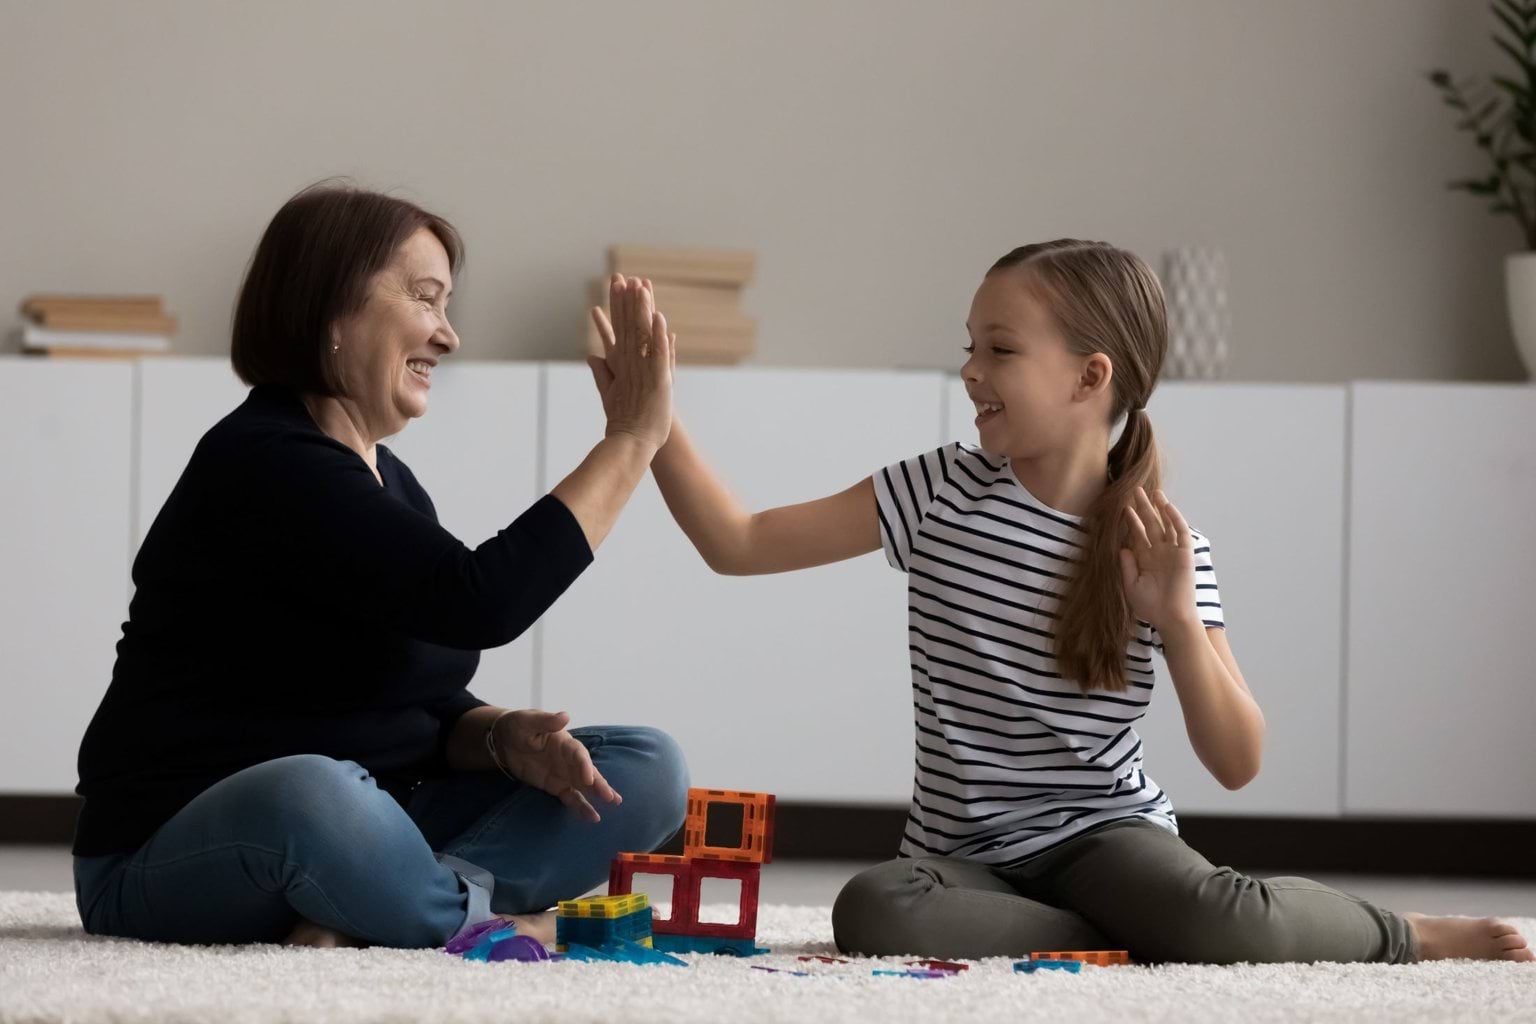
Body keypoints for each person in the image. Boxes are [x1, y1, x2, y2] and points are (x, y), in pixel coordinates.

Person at [599, 239, 1534, 965]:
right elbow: (740, 543)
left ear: (1091, 378)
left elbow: (1239, 758)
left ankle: (1407, 933)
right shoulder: (938, 492)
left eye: (1000, 350)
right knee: (873, 909)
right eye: (971, 347)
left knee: (1219, 915)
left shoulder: (1163, 544)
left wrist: (1174, 618)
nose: (971, 371)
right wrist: (652, 424)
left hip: (1105, 836)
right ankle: (1124, 933)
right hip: (959, 857)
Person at [73, 183, 687, 950]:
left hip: (370, 825)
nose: (449, 336)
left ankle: (387, 910)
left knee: (646, 767)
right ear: (333, 310)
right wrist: (630, 440)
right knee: (314, 791)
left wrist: (499, 736)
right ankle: (483, 924)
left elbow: (410, 695)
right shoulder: (264, 463)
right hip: (166, 856)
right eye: (426, 300)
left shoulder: (387, 480)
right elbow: (483, 602)